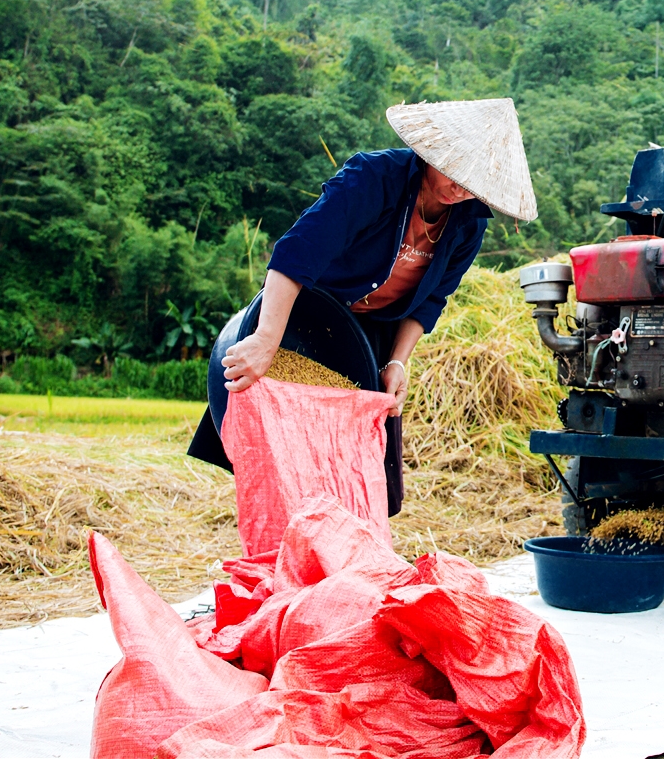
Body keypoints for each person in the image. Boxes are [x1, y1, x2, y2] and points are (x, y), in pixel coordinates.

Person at [190, 98, 537, 507]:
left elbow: (431, 302)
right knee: (285, 460)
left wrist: (397, 362)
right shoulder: (373, 178)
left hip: (367, 341)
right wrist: (267, 338)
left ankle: (344, 550)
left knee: (361, 472)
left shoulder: (468, 223)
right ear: (433, 151)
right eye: (456, 173)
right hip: (304, 325)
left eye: (474, 182)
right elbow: (296, 253)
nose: (462, 189)